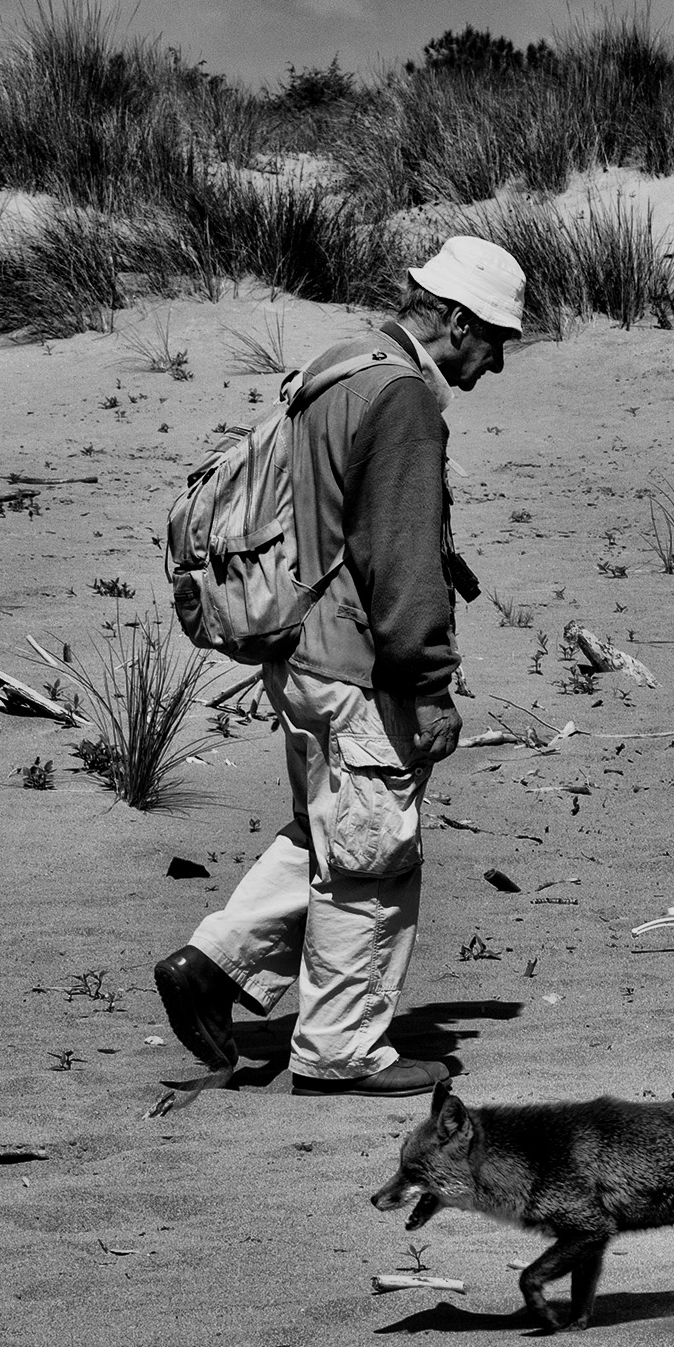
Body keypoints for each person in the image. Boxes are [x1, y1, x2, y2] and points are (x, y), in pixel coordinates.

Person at [155, 236, 524, 1097]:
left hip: (299, 652)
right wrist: (427, 685)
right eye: (496, 340)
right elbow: (395, 557)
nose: (496, 362)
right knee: (373, 860)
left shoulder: (340, 364)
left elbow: (333, 516)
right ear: (459, 321)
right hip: (360, 667)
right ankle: (340, 1052)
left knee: (328, 829)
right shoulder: (400, 397)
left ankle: (210, 967)